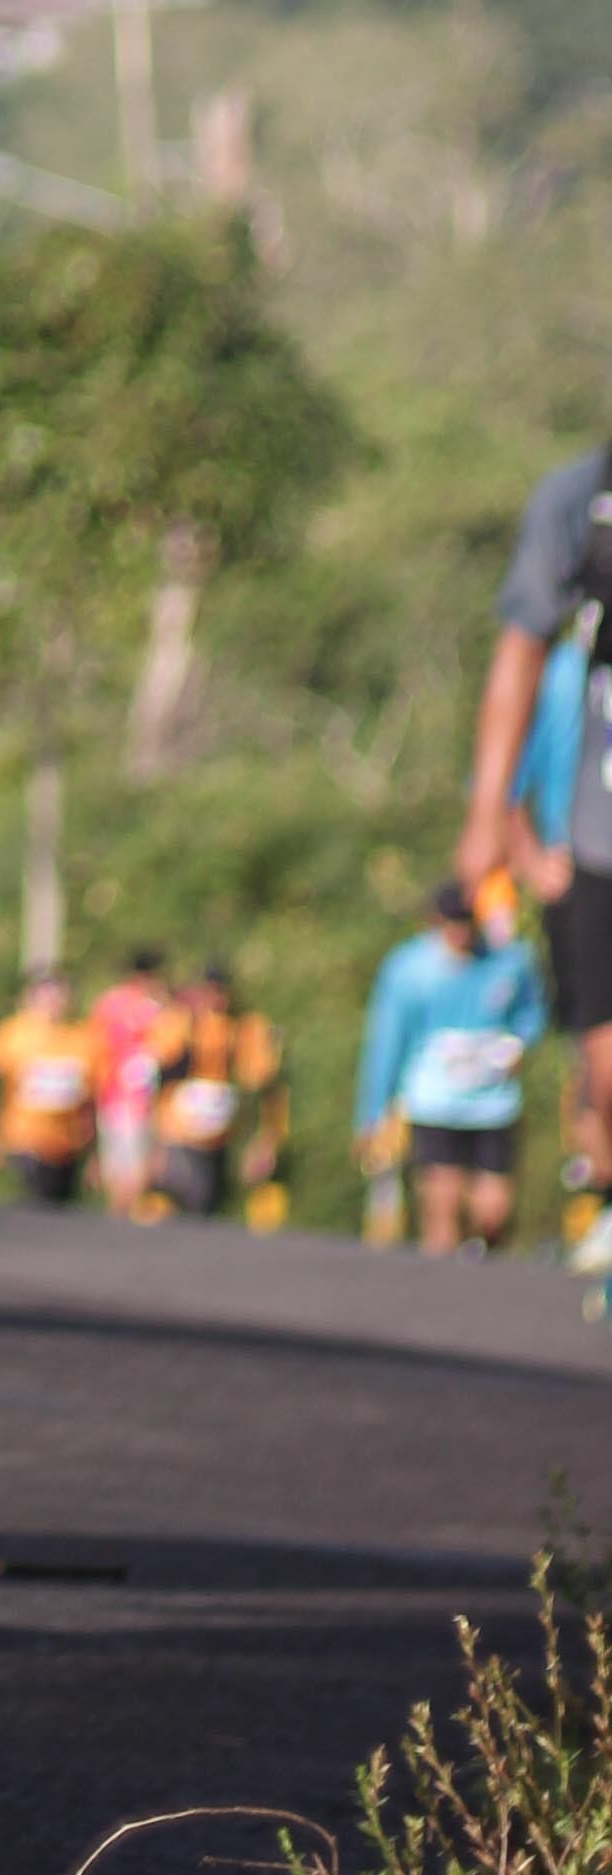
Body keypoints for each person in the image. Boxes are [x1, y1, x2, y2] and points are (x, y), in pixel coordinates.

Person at [457, 437, 612, 1278]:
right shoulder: (581, 502)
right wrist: (500, 829)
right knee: (603, 1061)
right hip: (588, 842)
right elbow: (515, 674)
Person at [355, 878, 547, 1256]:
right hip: (434, 1102)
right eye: (452, 924)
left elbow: (532, 1014)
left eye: (467, 922)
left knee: (493, 1212)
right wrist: (373, 1113)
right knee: (443, 1204)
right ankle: (439, 1287)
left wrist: (518, 1045)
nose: (460, 933)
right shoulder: (409, 969)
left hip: (493, 1104)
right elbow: (388, 1040)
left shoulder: (510, 961)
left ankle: (481, 1262)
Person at [150, 965, 282, 1224]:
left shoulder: (243, 1028)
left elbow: (264, 1085)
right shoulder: (180, 1024)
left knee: (209, 1203)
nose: (215, 1000)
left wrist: (266, 1140)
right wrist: (155, 1141)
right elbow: (159, 1075)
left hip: (222, 1135)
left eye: (220, 992)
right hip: (179, 1132)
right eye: (208, 992)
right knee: (183, 1195)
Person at [0, 970, 98, 1199]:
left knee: (59, 1207)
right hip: (23, 1140)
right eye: (47, 997)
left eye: (59, 996)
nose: (53, 1004)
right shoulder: (13, 1035)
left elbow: (90, 1100)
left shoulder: (82, 1039)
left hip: (66, 1145)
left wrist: (93, 1152)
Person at [91, 950, 180, 1218]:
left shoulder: (113, 1002)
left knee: (130, 1169)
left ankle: (120, 1217)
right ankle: (121, 1219)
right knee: (130, 1171)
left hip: (129, 1099)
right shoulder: (142, 1005)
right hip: (129, 1099)